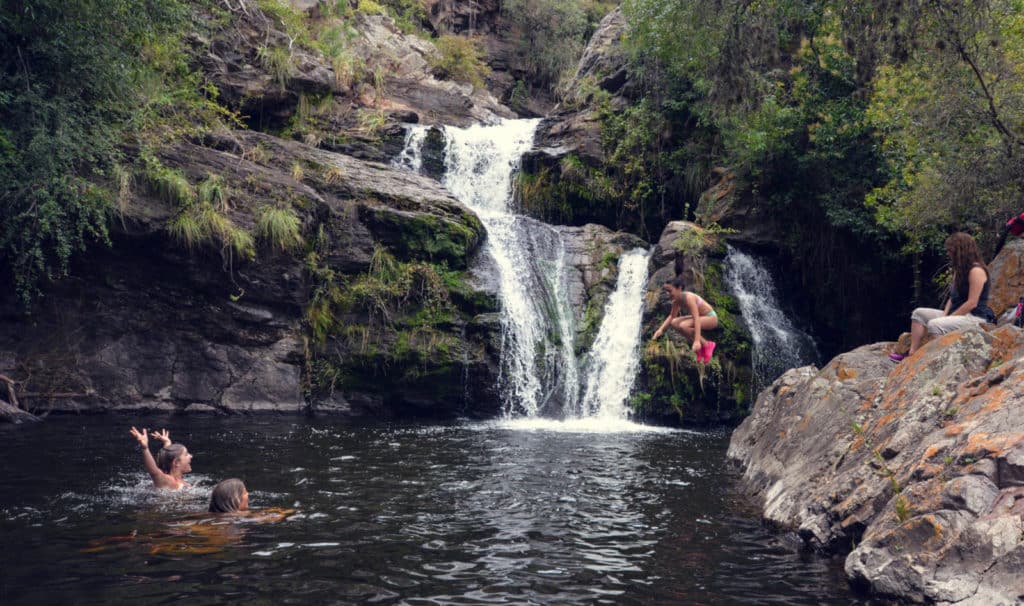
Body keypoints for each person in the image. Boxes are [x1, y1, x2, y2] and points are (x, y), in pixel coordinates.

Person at [890, 232, 997, 361]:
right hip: (958, 314)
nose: (948, 253)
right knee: (918, 314)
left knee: (936, 325)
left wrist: (948, 319)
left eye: (950, 250)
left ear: (960, 250)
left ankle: (938, 360)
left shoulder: (976, 271)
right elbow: (952, 298)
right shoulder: (960, 270)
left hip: (975, 317)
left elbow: (972, 303)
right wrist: (945, 315)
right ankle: (912, 355)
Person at [652, 275, 719, 363]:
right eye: (666, 291)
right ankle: (699, 349)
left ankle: (707, 344)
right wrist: (660, 329)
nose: (667, 294)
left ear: (679, 288)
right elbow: (672, 316)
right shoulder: (676, 301)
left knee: (684, 325)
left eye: (669, 291)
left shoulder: (689, 298)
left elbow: (696, 319)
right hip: (700, 317)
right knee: (674, 322)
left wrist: (697, 340)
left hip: (711, 318)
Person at [129, 426, 193, 490]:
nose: (191, 456)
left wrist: (167, 443)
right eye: (186, 454)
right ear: (176, 462)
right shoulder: (168, 482)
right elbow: (154, 472)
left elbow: (167, 457)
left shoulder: (181, 482)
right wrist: (145, 448)